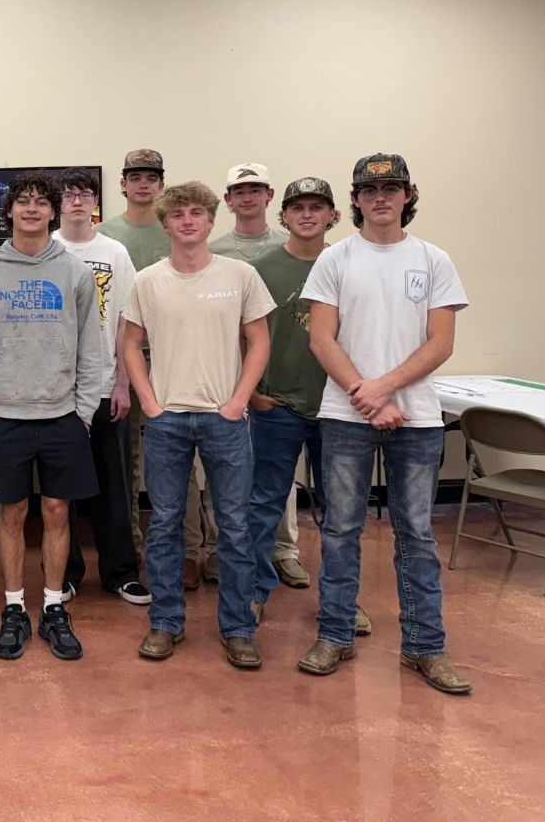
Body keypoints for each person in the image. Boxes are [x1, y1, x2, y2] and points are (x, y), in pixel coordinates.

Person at [298, 154, 471, 695]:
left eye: (391, 188)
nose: (380, 198)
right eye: (369, 190)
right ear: (353, 199)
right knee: (340, 530)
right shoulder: (335, 260)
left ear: (408, 194)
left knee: (416, 534)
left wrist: (382, 389)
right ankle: (335, 635)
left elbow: (441, 343)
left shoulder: (433, 259)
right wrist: (366, 395)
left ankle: (425, 647)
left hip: (416, 418)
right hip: (346, 416)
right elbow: (321, 338)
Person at [122, 181, 274, 670]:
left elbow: (259, 343)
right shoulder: (148, 281)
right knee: (165, 525)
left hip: (223, 419)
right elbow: (129, 345)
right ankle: (166, 623)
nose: (187, 221)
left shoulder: (241, 275)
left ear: (212, 221)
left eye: (196, 213)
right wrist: (149, 402)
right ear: (165, 224)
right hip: (167, 420)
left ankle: (237, 628)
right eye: (178, 214)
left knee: (234, 525)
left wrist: (237, 402)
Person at [0, 171, 105, 660]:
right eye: (21, 202)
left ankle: (52, 608)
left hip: (63, 415)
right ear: (8, 213)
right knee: (12, 512)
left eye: (39, 202)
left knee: (58, 511)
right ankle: (12, 608)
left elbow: (93, 347)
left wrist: (84, 411)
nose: (30, 209)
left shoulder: (75, 272)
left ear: (52, 211)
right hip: (6, 417)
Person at [248, 178, 373, 631]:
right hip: (277, 403)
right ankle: (254, 592)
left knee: (341, 513)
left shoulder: (352, 263)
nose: (306, 215)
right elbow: (243, 333)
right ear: (282, 216)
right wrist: (252, 392)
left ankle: (342, 602)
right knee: (263, 504)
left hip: (339, 407)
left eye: (317, 207)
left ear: (333, 215)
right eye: (297, 207)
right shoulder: (260, 267)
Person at [196, 163, 307, 590]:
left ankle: (284, 550)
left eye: (255, 189)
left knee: (279, 472)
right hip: (222, 375)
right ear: (226, 200)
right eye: (238, 191)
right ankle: (224, 549)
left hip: (276, 380)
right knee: (220, 471)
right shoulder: (215, 247)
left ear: (269, 195)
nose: (247, 197)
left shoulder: (291, 245)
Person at [53, 167, 151, 606]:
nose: (77, 202)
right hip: (55, 391)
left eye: (85, 194)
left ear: (95, 202)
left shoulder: (114, 251)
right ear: (59, 204)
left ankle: (121, 573)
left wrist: (124, 383)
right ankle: (65, 573)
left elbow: (128, 323)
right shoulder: (46, 249)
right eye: (69, 195)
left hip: (105, 384)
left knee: (115, 484)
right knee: (62, 489)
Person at [96, 149, 171, 556]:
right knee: (129, 460)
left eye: (151, 177)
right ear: (122, 184)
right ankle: (132, 542)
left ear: (161, 184)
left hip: (171, 358)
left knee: (172, 457)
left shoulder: (174, 228)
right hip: (124, 360)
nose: (143, 183)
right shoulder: (106, 236)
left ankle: (178, 545)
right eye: (135, 176)